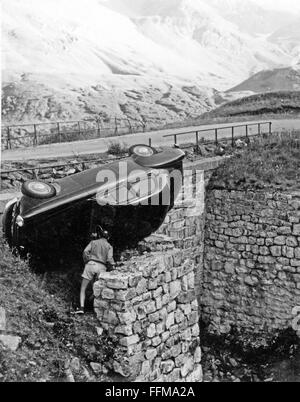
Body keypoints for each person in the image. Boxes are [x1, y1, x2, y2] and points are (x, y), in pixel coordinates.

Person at [73, 227, 115, 315]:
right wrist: (112, 267)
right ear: (108, 238)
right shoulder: (109, 246)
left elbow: (85, 251)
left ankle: (81, 308)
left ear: (100, 235)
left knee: (83, 288)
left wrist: (87, 261)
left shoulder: (93, 242)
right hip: (101, 267)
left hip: (91, 265)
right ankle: (95, 310)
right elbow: (110, 259)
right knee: (97, 289)